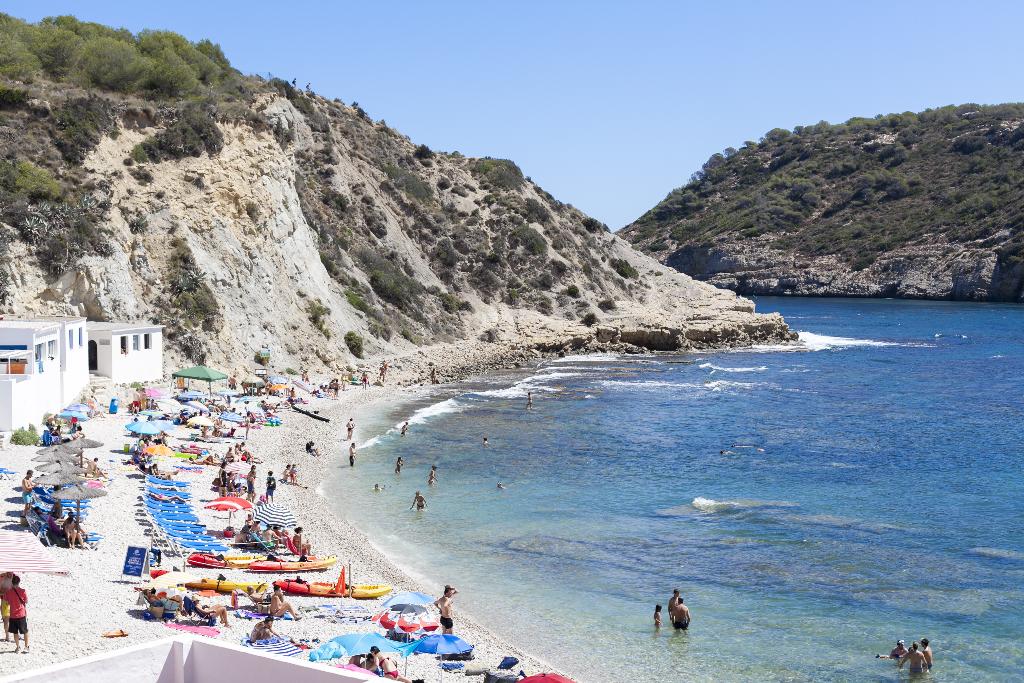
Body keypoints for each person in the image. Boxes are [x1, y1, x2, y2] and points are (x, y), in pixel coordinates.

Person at [6, 574, 29, 652]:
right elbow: (26, 601)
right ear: (19, 582)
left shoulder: (8, 592)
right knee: (25, 631)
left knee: (15, 632)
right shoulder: (23, 591)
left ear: (12, 583)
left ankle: (18, 647)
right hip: (21, 614)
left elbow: (7, 602)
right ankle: (26, 647)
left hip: (13, 615)